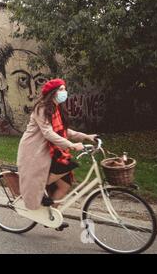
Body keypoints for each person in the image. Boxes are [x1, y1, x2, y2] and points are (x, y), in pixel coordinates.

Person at [16, 78, 97, 216]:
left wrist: (86, 136)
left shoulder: (56, 108)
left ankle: (51, 216)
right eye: (61, 89)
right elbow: (48, 132)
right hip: (34, 150)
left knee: (64, 184)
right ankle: (36, 188)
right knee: (67, 166)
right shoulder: (41, 108)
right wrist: (71, 145)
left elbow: (64, 131)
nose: (64, 92)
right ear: (52, 92)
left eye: (64, 89)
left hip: (49, 149)